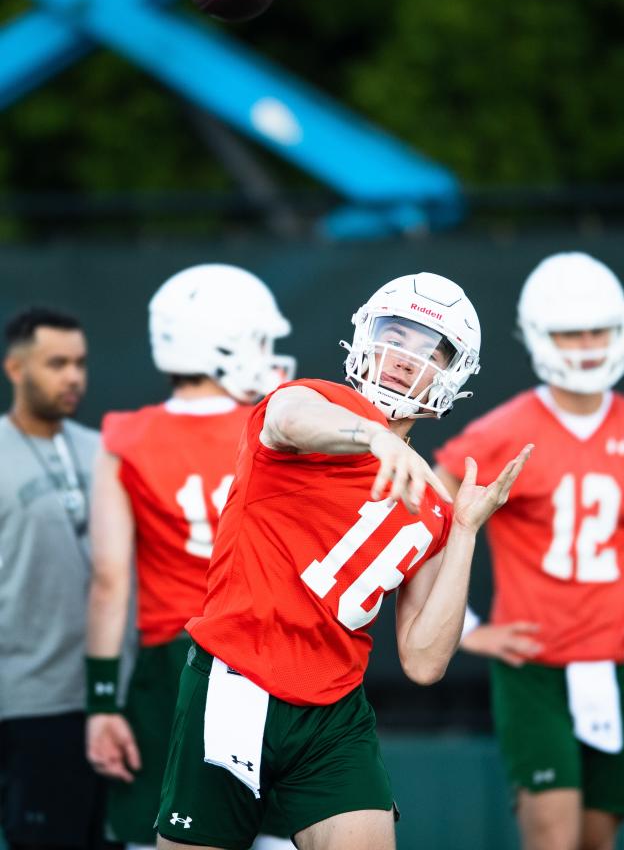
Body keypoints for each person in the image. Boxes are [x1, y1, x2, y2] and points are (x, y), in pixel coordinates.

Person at [152, 270, 532, 850]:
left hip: (333, 710)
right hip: (236, 681)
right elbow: (287, 417)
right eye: (395, 335)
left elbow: (425, 662)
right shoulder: (315, 403)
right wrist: (373, 436)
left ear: (453, 375)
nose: (406, 357)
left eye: (430, 348)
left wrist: (465, 533)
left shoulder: (431, 503)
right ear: (363, 337)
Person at [85, 264, 297, 850]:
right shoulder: (278, 427)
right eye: (259, 339)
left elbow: (109, 581)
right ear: (225, 344)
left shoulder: (125, 437)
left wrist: (102, 699)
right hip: (268, 655)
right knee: (278, 838)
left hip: (172, 666)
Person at [434, 252, 624, 850]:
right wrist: (466, 627)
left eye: (597, 329)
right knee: (553, 837)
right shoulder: (505, 429)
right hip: (536, 667)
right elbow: (425, 515)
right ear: (538, 336)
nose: (586, 345)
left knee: (598, 839)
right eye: (569, 332)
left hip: (622, 662)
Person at [0, 307, 110, 850]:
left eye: (81, 363)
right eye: (57, 363)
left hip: (113, 705)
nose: (73, 376)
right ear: (15, 368)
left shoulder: (104, 449)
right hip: (29, 706)